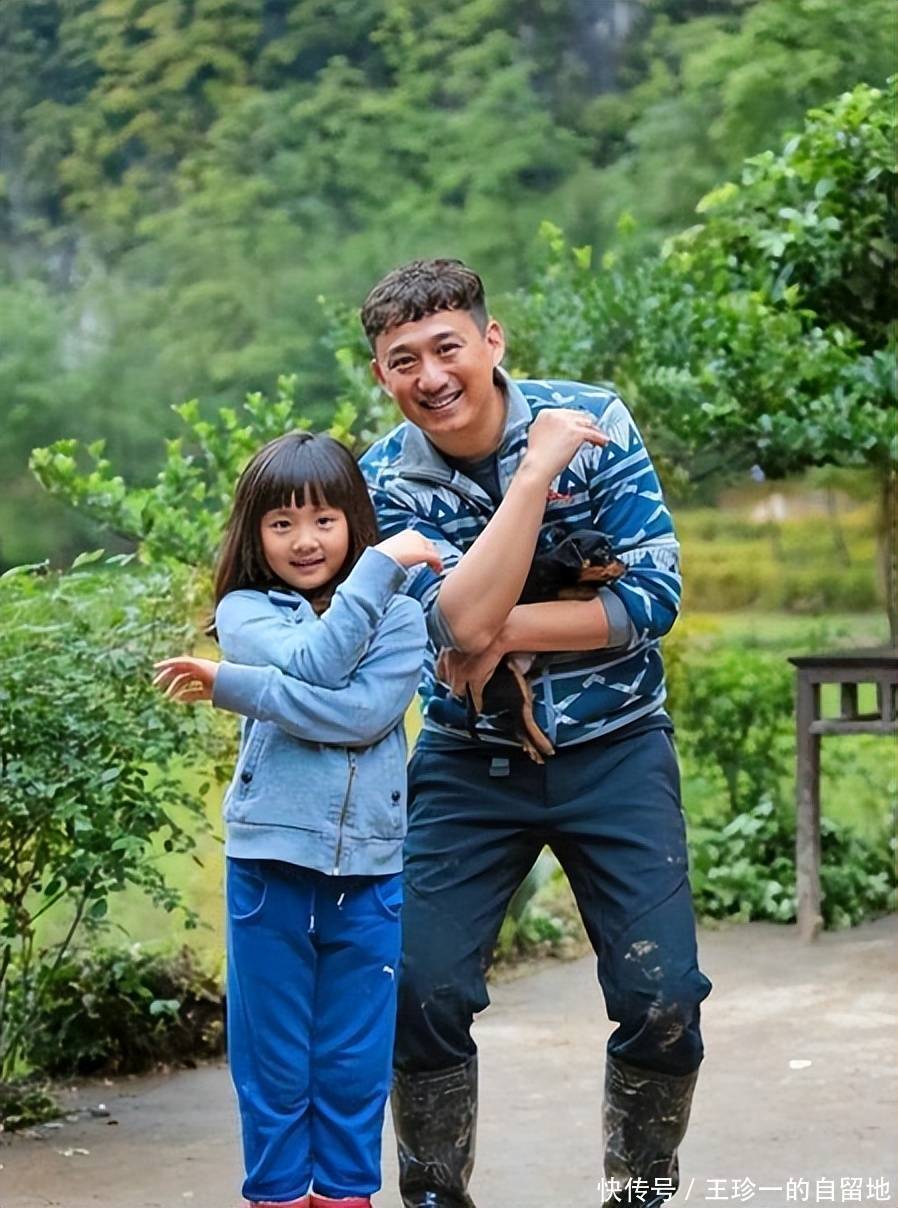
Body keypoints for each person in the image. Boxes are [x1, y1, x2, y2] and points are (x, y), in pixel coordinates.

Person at [357, 259, 712, 1208]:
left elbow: (651, 599)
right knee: (415, 988)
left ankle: (640, 1192)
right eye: (404, 360)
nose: (431, 375)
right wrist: (535, 477)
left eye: (447, 347)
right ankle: (436, 1197)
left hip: (618, 747)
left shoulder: (596, 421)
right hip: (468, 760)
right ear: (382, 376)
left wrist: (501, 629)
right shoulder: (382, 482)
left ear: (492, 339)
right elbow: (442, 630)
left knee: (663, 999)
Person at [153, 431, 439, 1208]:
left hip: (369, 869)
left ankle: (346, 1195)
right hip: (269, 864)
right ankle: (277, 1195)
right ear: (256, 534)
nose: (304, 540)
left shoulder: (400, 617)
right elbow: (318, 666)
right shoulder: (245, 610)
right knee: (272, 1056)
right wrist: (379, 568)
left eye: (323, 520)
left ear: (354, 522)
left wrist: (234, 687)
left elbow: (361, 716)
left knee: (353, 1056)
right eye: (281, 523)